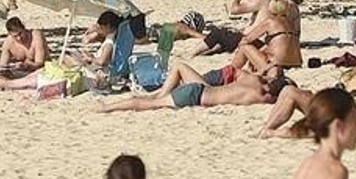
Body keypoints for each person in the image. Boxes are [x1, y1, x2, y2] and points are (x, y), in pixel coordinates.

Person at [97, 61, 283, 113]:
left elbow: (253, 74)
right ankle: (108, 108)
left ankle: (109, 106)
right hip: (196, 96)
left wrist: (267, 71)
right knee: (147, 105)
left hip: (201, 90)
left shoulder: (253, 81)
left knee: (149, 103)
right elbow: (282, 99)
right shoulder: (262, 97)